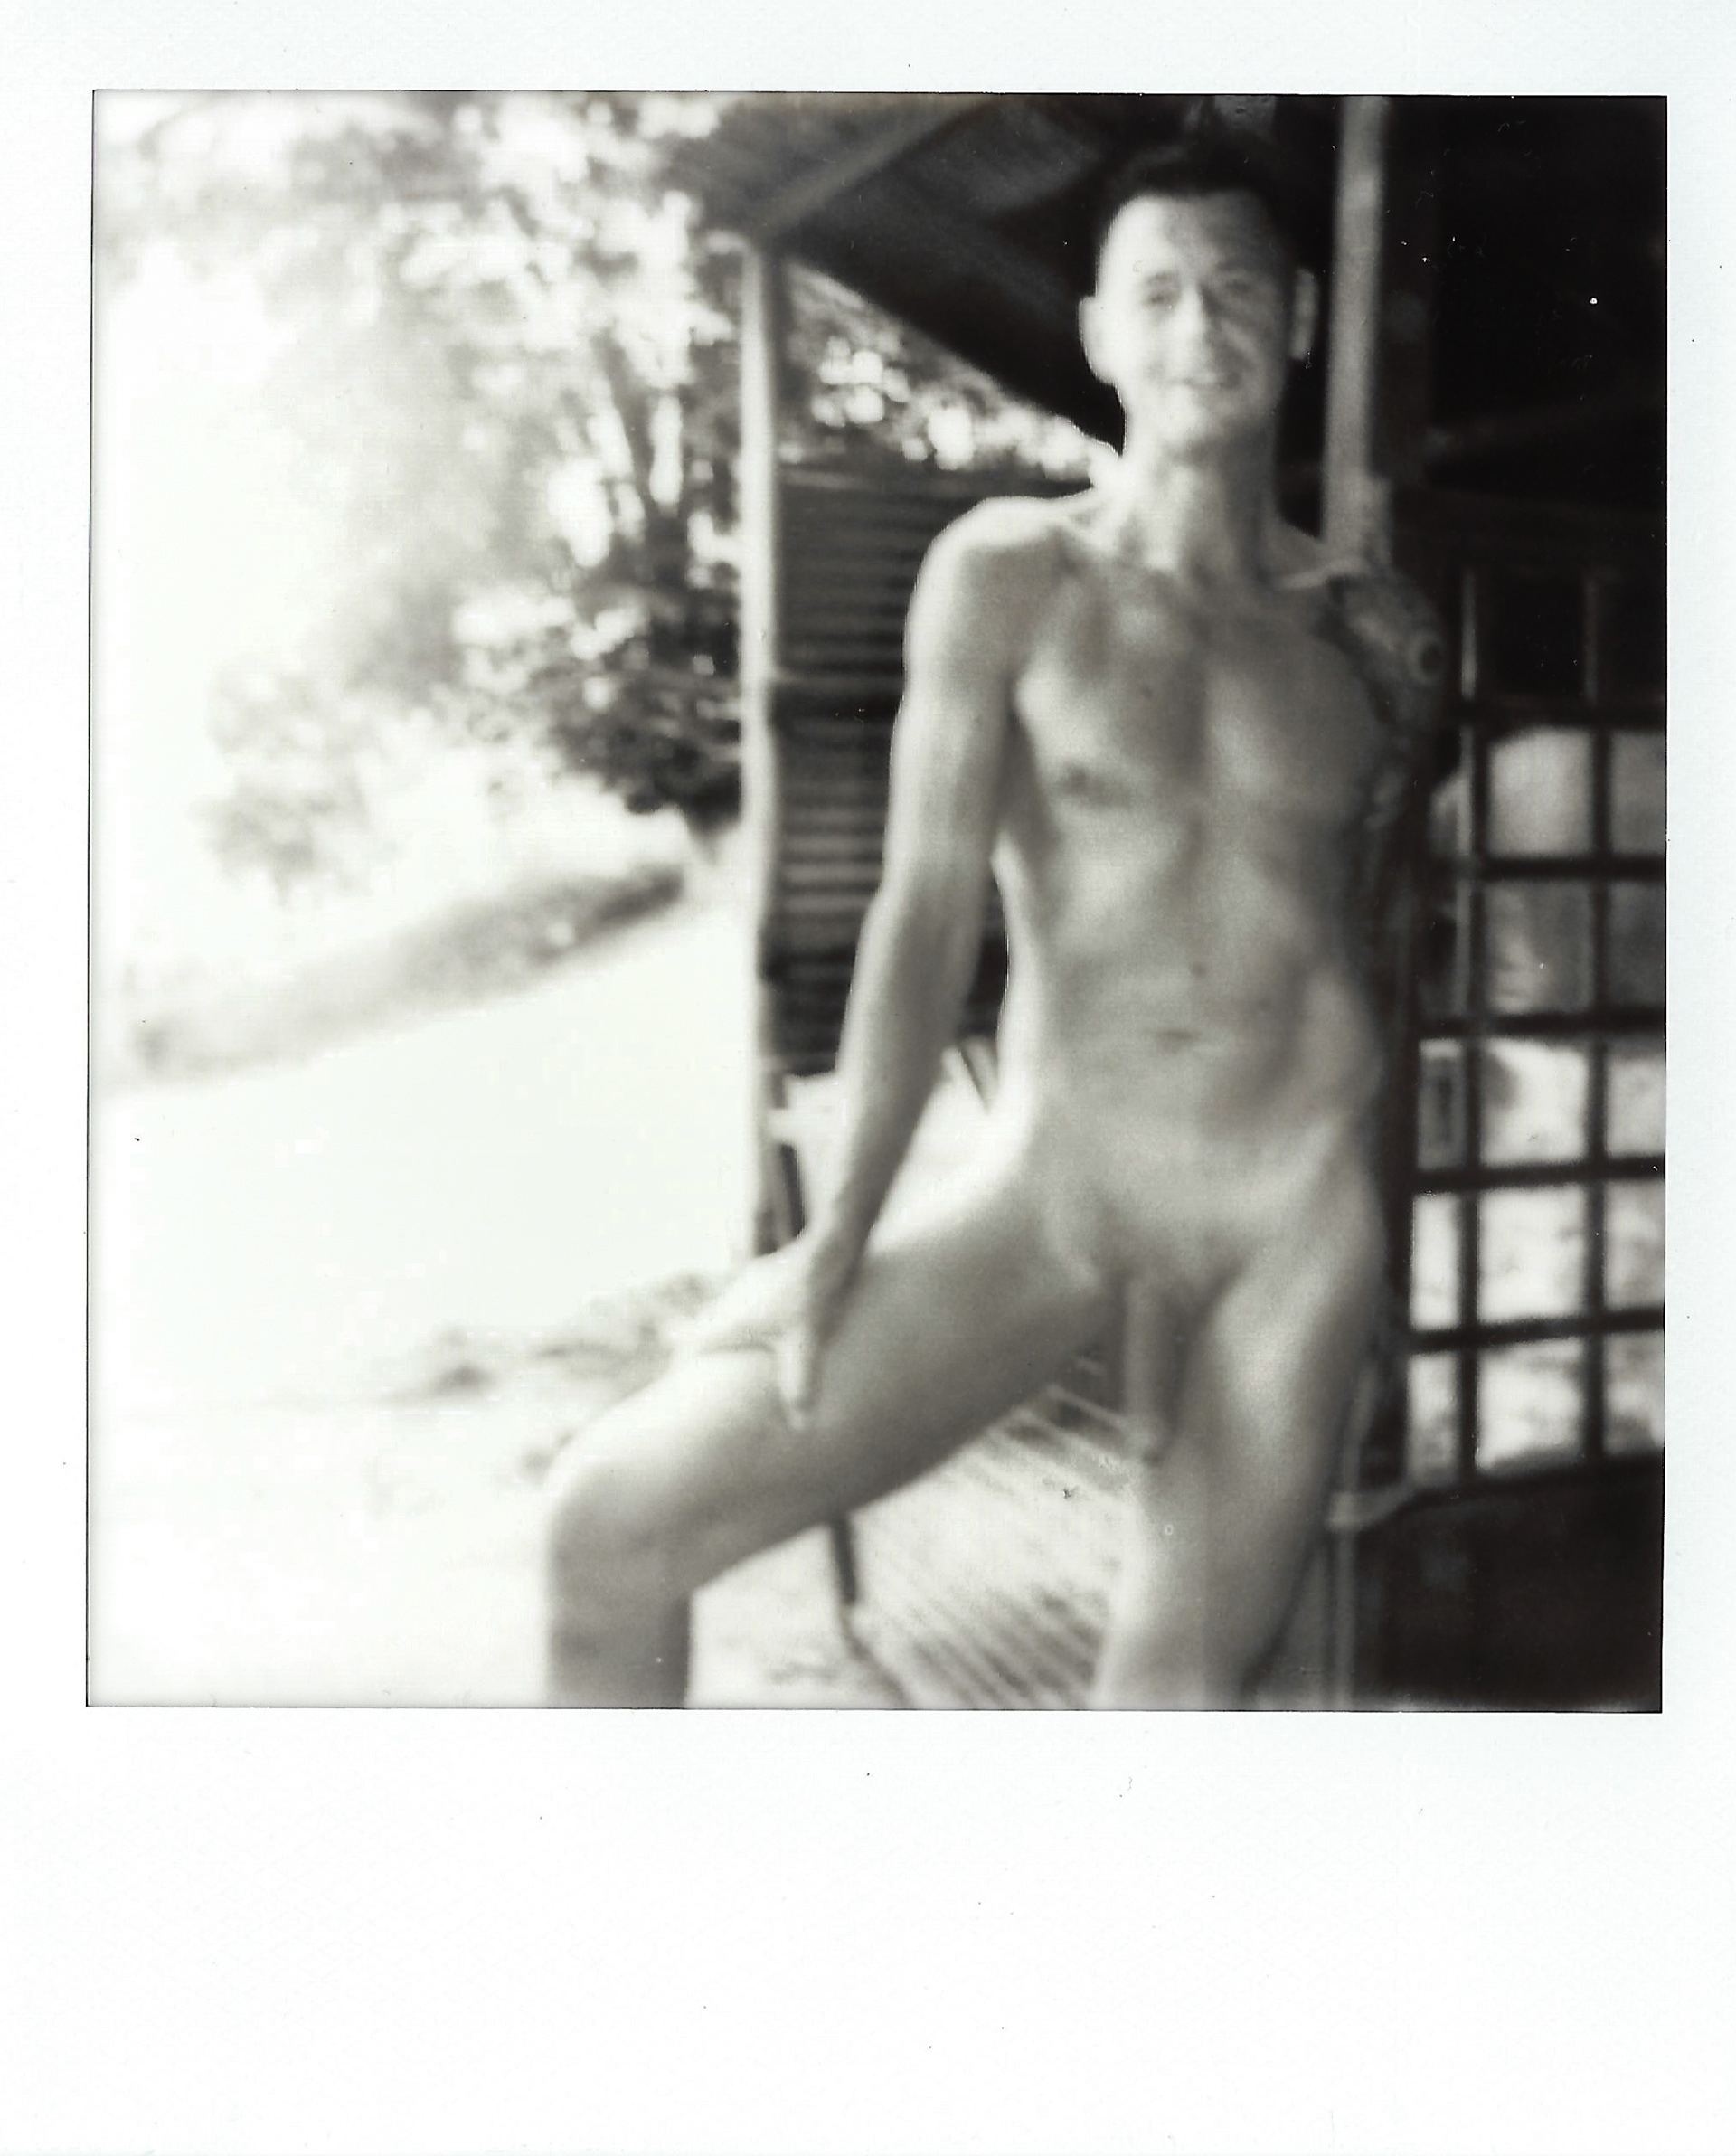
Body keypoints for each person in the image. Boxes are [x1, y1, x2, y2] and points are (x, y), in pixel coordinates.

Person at [545, 128, 1443, 1707]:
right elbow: (922, 912)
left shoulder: (1377, 637)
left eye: (1238, 289)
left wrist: (1352, 1291)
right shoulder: (1012, 574)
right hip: (1059, 1188)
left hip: (1289, 1217)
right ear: (1099, 333)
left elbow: (1366, 938)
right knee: (608, 1525)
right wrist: (838, 1235)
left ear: (1301, 316)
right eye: (1156, 293)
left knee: (1165, 1722)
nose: (1199, 327)